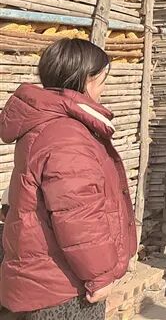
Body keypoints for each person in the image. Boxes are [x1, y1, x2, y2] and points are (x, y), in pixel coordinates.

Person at [0, 38, 137, 319]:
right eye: (103, 79)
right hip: (63, 284)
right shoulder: (67, 135)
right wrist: (99, 275)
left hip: (47, 274)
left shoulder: (48, 123)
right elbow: (78, 215)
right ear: (88, 79)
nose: (104, 88)